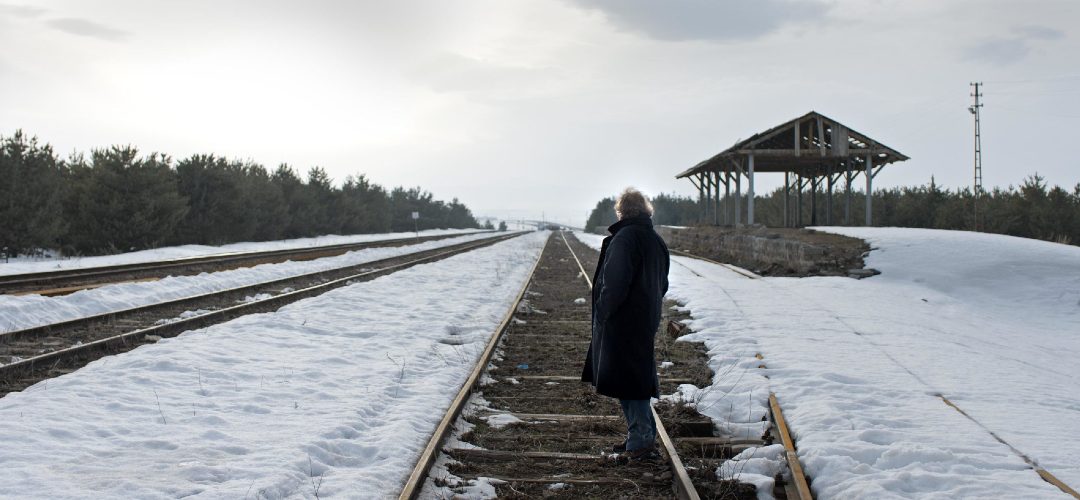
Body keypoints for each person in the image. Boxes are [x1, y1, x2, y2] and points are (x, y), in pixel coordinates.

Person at [581, 187, 670, 461]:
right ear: (646, 211)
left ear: (622, 212)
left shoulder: (625, 238)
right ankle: (638, 436)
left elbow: (615, 283)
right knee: (631, 379)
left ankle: (642, 440)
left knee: (630, 382)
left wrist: (604, 311)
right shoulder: (654, 240)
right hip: (643, 318)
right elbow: (663, 283)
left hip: (622, 320)